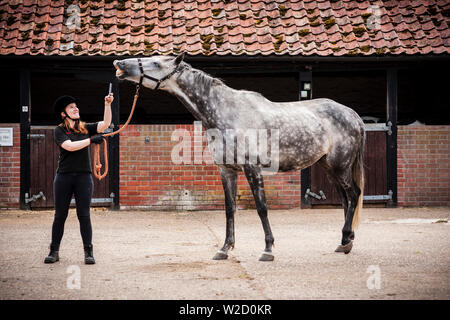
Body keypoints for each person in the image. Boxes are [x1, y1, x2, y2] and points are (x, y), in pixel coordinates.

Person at [44, 93, 113, 264]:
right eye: (71, 107)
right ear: (63, 113)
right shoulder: (59, 130)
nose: (76, 109)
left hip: (84, 177)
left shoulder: (85, 127)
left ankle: (88, 252)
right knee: (60, 215)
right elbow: (69, 146)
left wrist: (107, 104)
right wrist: (90, 141)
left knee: (84, 215)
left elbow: (105, 124)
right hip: (64, 177)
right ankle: (54, 251)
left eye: (76, 106)